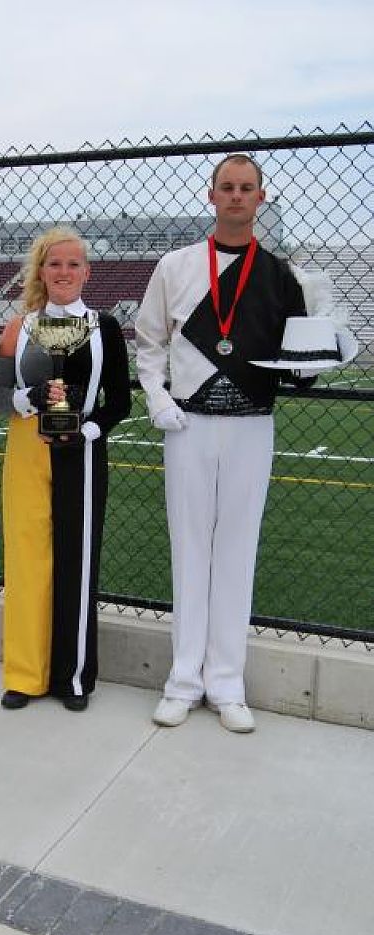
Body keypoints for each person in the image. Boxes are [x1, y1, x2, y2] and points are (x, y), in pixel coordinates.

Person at [135, 153, 316, 733]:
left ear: (261, 198)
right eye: (227, 187)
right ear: (211, 195)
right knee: (189, 549)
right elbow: (149, 339)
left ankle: (227, 683)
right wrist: (157, 396)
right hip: (187, 425)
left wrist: (318, 358)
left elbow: (299, 356)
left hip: (252, 425)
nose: (237, 196)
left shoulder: (281, 275)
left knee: (238, 551)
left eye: (247, 188)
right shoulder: (176, 265)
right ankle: (183, 680)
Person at [0, 226, 131, 712]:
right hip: (26, 449)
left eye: (73, 264)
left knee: (77, 560)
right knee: (25, 560)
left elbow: (120, 402)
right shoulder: (19, 327)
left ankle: (73, 676)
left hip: (82, 450)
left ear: (87, 272)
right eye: (54, 263)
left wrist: (85, 432)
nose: (64, 271)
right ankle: (24, 675)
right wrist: (29, 397)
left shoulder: (104, 327)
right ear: (41, 272)